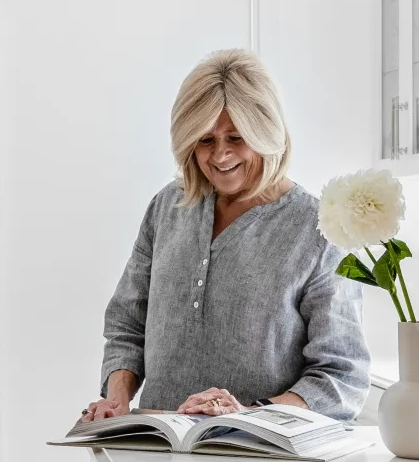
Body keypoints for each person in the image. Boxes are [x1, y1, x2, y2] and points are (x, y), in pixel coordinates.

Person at [81, 49, 368, 424]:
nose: (220, 155)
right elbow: (127, 325)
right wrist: (117, 400)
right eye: (204, 140)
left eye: (236, 137)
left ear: (266, 133)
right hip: (154, 455)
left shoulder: (318, 229)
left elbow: (341, 375)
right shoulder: (168, 207)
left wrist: (248, 414)